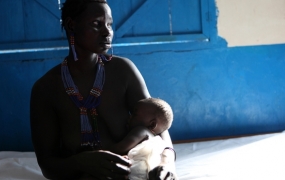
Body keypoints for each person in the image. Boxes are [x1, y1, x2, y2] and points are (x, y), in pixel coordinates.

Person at [30, 0, 177, 179]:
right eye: (96, 24)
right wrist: (81, 162)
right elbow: (48, 166)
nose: (107, 32)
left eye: (109, 24)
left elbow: (157, 126)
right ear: (71, 25)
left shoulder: (123, 70)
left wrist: (166, 163)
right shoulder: (46, 89)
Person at [105, 98, 176, 180]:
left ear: (152, 124)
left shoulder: (142, 131)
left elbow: (120, 148)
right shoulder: (158, 140)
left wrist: (100, 151)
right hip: (152, 172)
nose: (129, 117)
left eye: (134, 114)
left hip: (137, 170)